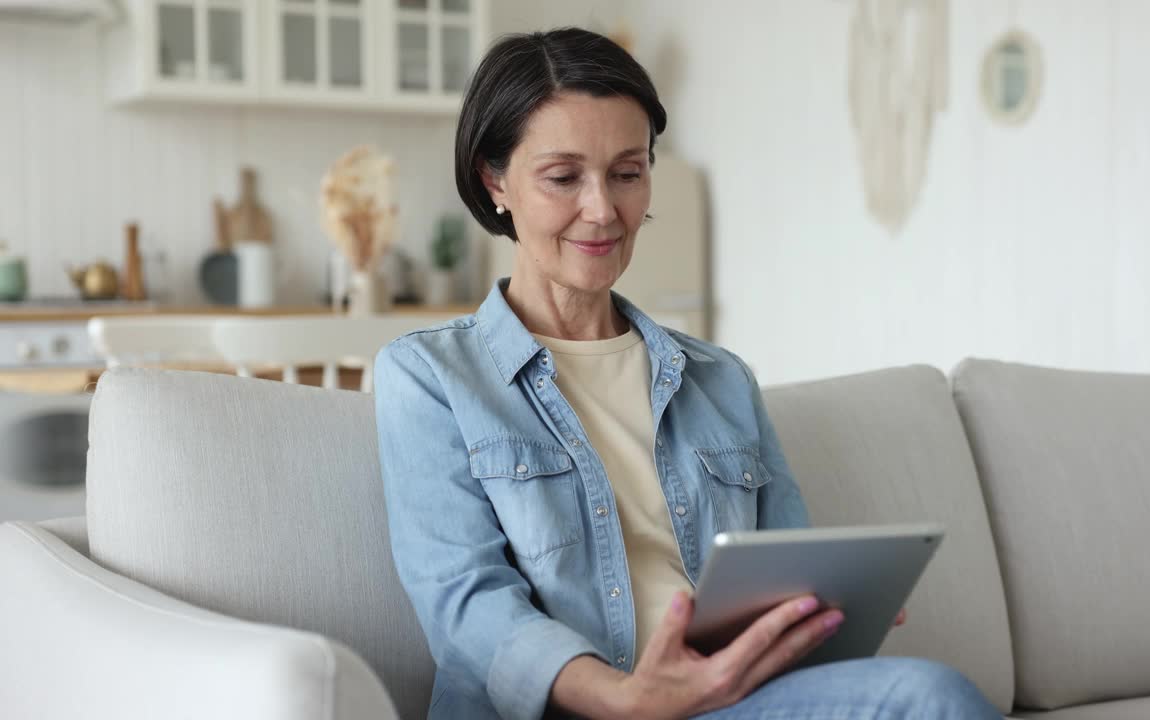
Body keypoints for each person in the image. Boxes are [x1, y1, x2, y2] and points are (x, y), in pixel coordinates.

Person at [373, 27, 1001, 720]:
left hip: (727, 705)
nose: (603, 209)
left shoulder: (721, 380)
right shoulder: (430, 376)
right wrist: (625, 697)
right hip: (573, 711)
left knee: (929, 694)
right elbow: (466, 602)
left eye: (627, 172)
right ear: (496, 181)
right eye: (563, 177)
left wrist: (826, 609)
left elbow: (784, 566)